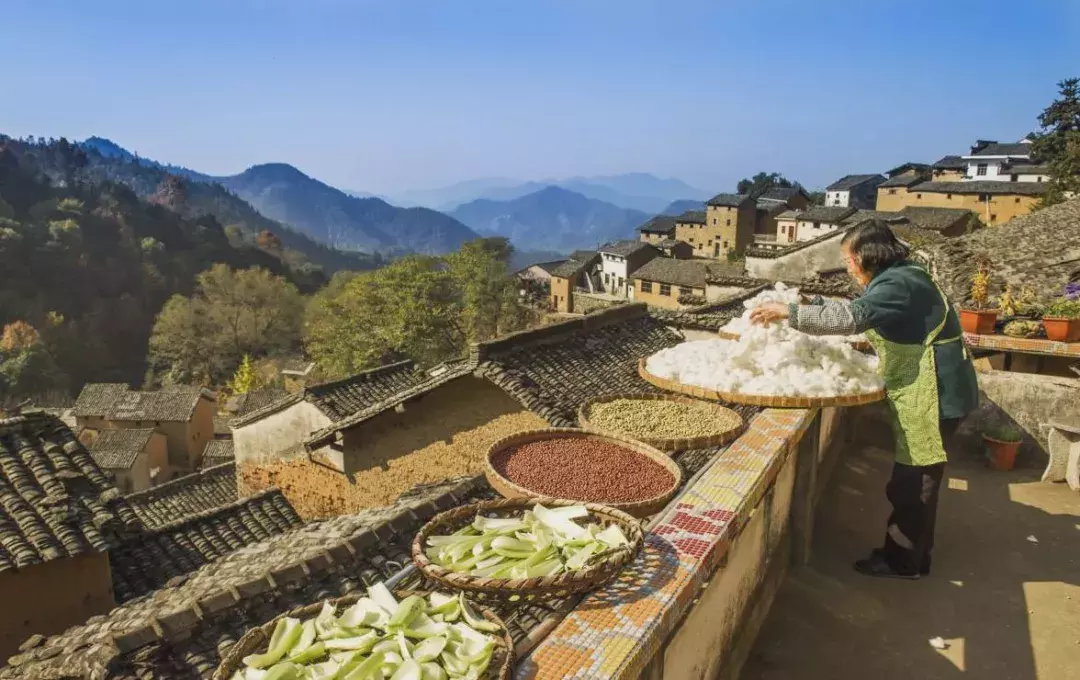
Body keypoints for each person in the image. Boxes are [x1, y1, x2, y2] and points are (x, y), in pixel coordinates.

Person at [750, 220, 979, 580]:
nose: (847, 268)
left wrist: (791, 313)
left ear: (866, 257)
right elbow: (869, 309)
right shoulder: (901, 276)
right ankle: (916, 556)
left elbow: (854, 317)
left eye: (847, 260)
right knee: (916, 476)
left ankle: (904, 562)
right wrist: (813, 303)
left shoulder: (899, 284)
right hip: (928, 389)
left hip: (934, 393)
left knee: (914, 483)